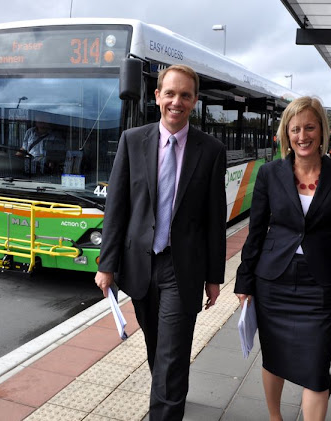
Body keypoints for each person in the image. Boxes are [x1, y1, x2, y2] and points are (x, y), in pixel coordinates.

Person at [94, 64, 226, 420]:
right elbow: (116, 207)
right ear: (157, 97)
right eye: (170, 93)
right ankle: (170, 395)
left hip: (180, 269)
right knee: (159, 349)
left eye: (185, 95)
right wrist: (107, 265)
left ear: (195, 101)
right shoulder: (132, 141)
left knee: (171, 357)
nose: (176, 101)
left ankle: (166, 408)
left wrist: (214, 277)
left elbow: (215, 219)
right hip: (139, 265)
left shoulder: (211, 150)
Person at [234, 96, 331, 421]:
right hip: (273, 283)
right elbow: (256, 233)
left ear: (322, 131)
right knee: (274, 360)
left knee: (316, 370)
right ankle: (275, 418)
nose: (302, 135)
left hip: (319, 287)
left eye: (309, 127)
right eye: (295, 129)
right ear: (287, 133)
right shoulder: (270, 174)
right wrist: (244, 282)